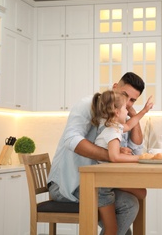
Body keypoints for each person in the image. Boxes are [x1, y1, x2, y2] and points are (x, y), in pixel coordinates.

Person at [47, 72, 147, 235]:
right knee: (128, 206)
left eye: (133, 100)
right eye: (125, 95)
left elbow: (136, 148)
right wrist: (112, 155)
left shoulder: (119, 116)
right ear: (115, 87)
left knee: (134, 200)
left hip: (98, 182)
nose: (128, 103)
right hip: (70, 184)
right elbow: (71, 139)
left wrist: (134, 115)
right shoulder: (88, 105)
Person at [91, 90, 153, 234]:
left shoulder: (114, 127)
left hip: (107, 184)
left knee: (120, 230)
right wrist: (140, 158)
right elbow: (114, 157)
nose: (128, 111)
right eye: (126, 108)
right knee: (112, 230)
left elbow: (130, 124)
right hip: (103, 190)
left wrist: (144, 110)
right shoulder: (112, 132)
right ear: (117, 112)